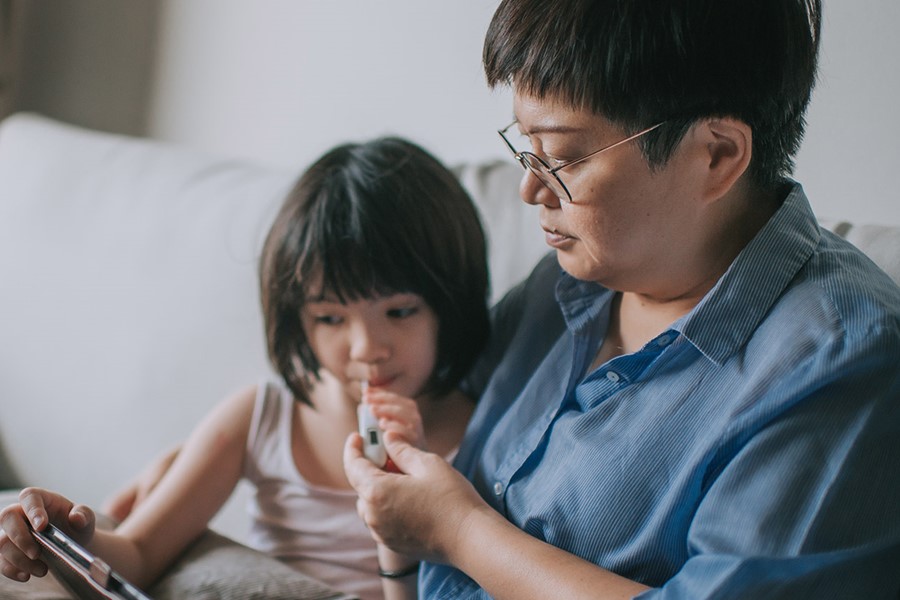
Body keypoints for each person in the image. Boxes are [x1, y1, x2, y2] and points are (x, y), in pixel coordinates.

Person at [342, 0, 900, 598]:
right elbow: (456, 404)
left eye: (562, 156)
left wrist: (457, 531)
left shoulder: (842, 364)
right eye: (524, 144)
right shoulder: (571, 278)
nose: (531, 189)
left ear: (716, 155)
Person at [0, 137, 490, 600]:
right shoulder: (263, 417)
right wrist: (69, 539)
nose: (365, 348)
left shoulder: (487, 434)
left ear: (450, 303)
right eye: (329, 318)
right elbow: (140, 554)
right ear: (296, 316)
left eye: (400, 312)